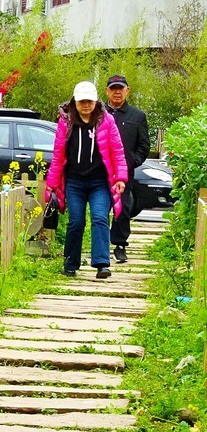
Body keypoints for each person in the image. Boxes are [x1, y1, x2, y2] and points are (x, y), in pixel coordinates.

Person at [44, 81, 129, 279]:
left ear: (95, 101)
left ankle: (102, 264)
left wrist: (120, 178)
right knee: (76, 221)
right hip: (74, 182)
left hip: (100, 182)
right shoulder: (66, 122)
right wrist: (52, 184)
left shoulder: (106, 120)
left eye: (89, 101)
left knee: (100, 218)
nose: (86, 105)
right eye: (82, 101)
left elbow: (117, 151)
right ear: (75, 101)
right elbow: (58, 155)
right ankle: (70, 263)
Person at [104, 74, 150, 263]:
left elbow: (144, 145)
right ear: (107, 91)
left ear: (127, 91)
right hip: (101, 171)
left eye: (120, 88)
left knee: (123, 208)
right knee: (100, 208)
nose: (117, 92)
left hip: (124, 173)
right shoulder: (99, 113)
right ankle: (100, 245)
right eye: (113, 88)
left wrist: (132, 162)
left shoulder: (137, 116)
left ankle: (120, 244)